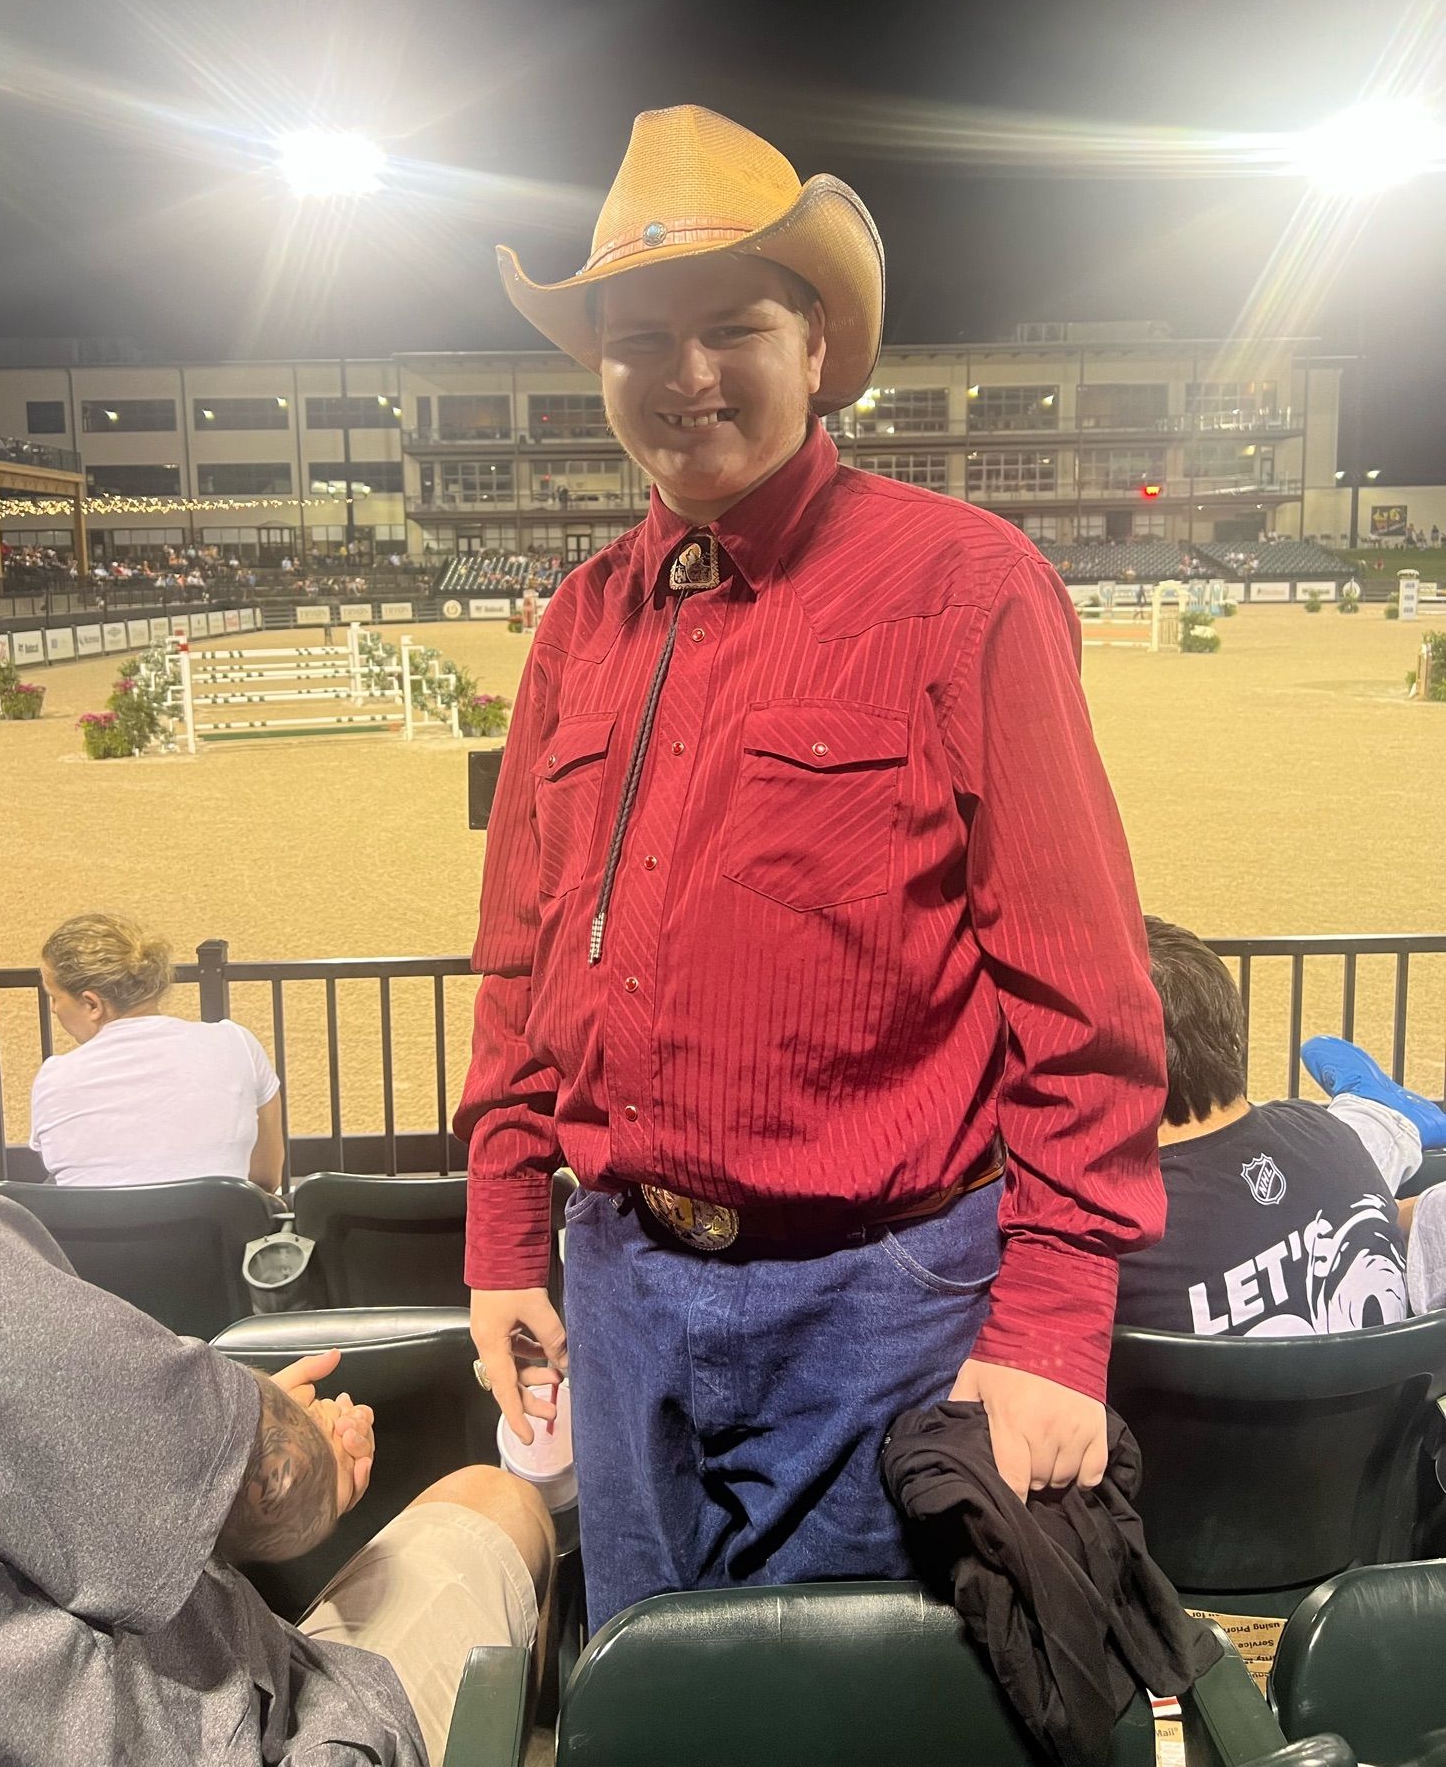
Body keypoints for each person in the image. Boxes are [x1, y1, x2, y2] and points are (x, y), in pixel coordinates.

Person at [460, 104, 1166, 1630]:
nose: (685, 371)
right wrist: (505, 1235)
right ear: (596, 361)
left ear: (821, 341)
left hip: (883, 1299)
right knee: (652, 1686)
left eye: (734, 324)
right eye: (639, 332)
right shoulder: (580, 624)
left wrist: (1053, 1326)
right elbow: (521, 956)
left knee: (851, 1721)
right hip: (622, 1280)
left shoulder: (963, 587)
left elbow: (1086, 1007)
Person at [0, 1178, 552, 1765]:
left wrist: (214, 1450)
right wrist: (281, 1452)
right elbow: (282, 1490)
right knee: (499, 1499)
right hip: (250, 1740)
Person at [1115, 918, 1409, 1336]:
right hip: (1391, 1399)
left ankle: (1380, 1111)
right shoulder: (1328, 1133)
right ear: (1229, 1027)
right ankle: (1380, 1111)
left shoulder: (1110, 1230)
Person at [32, 912, 285, 1194]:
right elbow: (266, 1179)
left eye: (54, 997)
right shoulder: (237, 1044)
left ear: (92, 1005)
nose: (54, 1009)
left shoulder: (54, 1078)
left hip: (97, 1236)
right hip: (218, 1234)